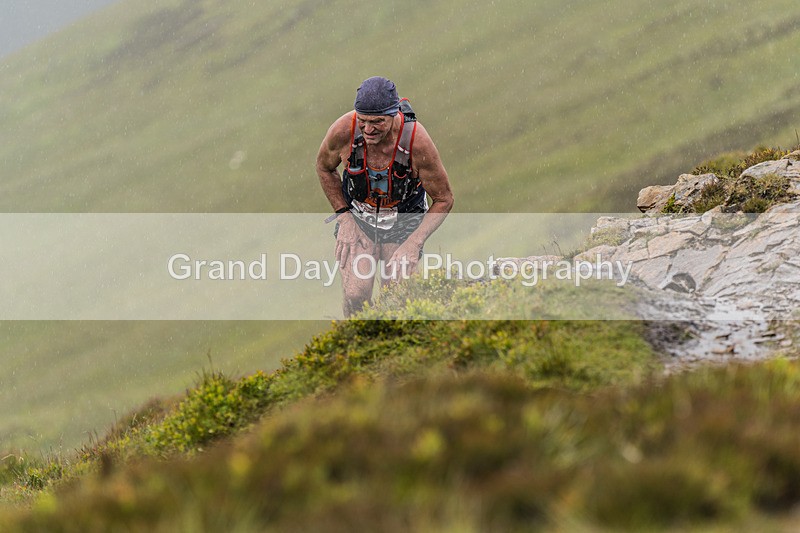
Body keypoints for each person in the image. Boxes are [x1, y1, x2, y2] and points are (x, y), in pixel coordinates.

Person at [316, 76, 454, 316]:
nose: (368, 129)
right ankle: (354, 345)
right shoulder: (343, 131)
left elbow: (444, 199)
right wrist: (344, 216)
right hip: (358, 218)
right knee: (355, 296)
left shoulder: (417, 142)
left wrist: (414, 242)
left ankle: (394, 347)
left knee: (396, 298)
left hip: (404, 223)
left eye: (377, 122)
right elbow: (323, 167)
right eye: (363, 121)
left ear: (394, 114)